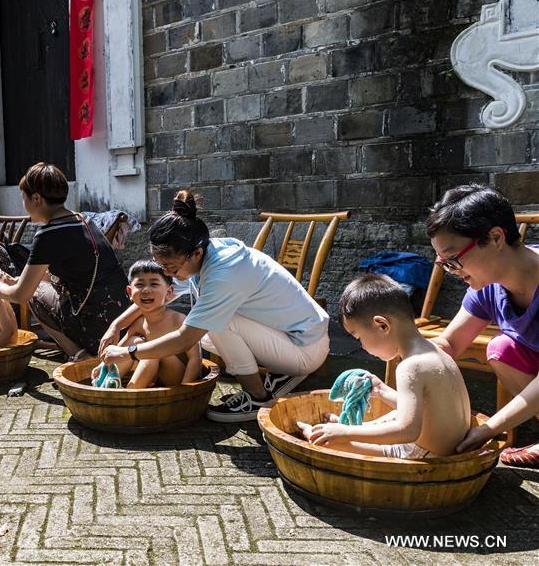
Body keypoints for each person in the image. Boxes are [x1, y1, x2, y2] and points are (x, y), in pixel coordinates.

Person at [100, 190, 330, 422]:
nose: (168, 274)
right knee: (208, 331)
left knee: (216, 324)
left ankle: (257, 396)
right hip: (296, 334)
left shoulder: (223, 274)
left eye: (171, 268)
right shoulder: (203, 252)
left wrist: (128, 351)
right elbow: (159, 295)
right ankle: (281, 372)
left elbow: (185, 338)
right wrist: (116, 326)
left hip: (306, 347)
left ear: (196, 254)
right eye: (163, 267)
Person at [425, 185, 539, 468]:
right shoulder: (488, 287)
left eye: (454, 259)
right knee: (501, 348)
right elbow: (449, 344)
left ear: (495, 237)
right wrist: (409, 352)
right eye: (445, 263)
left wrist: (490, 427)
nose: (453, 270)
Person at [296, 274, 471, 458]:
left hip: (425, 455)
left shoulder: (410, 367)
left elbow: (407, 431)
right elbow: (428, 410)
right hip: (447, 447)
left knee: (337, 444)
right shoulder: (436, 352)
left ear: (382, 325)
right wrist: (381, 390)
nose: (362, 346)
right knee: (396, 415)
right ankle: (346, 427)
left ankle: (319, 435)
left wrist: (344, 434)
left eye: (359, 338)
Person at [0, 163, 130, 359]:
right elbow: (67, 271)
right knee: (36, 288)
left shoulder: (48, 234)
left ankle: (79, 355)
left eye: (23, 197)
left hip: (97, 329)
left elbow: (22, 294)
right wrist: (18, 281)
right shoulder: (85, 220)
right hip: (123, 323)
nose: (23, 203)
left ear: (36, 198)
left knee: (34, 295)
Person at [93, 260, 201, 389]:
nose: (146, 290)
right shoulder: (139, 323)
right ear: (129, 292)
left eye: (154, 284)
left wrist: (186, 388)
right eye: (139, 284)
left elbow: (195, 360)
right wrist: (103, 365)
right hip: (153, 374)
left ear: (169, 292)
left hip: (176, 379)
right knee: (135, 341)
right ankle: (105, 384)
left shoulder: (179, 320)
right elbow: (121, 347)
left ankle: (128, 394)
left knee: (152, 352)